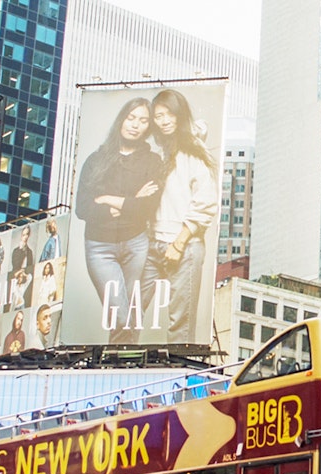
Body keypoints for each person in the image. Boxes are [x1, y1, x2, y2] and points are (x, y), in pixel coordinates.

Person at [75, 96, 162, 344]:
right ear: (121, 119)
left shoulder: (153, 162)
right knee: (121, 317)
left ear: (149, 127)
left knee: (132, 317)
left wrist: (106, 199)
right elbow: (83, 208)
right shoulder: (96, 160)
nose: (135, 125)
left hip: (137, 244)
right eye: (131, 117)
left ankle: (120, 363)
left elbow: (147, 208)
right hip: (100, 248)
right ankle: (122, 362)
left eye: (143, 120)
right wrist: (130, 201)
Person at [142, 88, 217, 344]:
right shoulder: (159, 151)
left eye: (169, 114)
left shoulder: (194, 152)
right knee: (127, 312)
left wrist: (179, 243)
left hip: (184, 246)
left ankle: (178, 370)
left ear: (180, 114)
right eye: (158, 116)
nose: (164, 121)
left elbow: (205, 202)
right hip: (152, 243)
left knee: (180, 329)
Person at [8, 226, 35, 310]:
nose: (25, 237)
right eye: (23, 235)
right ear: (21, 236)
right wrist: (21, 250)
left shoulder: (30, 252)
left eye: (27, 234)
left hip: (22, 302)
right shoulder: (16, 251)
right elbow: (15, 265)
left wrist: (24, 273)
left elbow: (30, 268)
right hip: (15, 276)